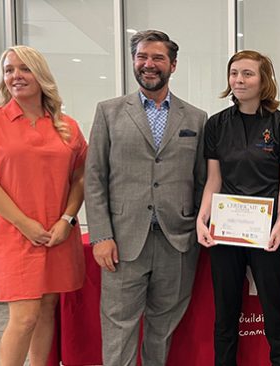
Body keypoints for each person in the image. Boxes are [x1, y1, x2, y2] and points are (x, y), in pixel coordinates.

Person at [84, 30, 207, 365]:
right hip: (122, 242)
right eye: (142, 57)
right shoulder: (108, 112)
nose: (149, 64)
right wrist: (101, 236)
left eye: (157, 58)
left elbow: (201, 181)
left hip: (176, 242)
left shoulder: (196, 118)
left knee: (163, 327)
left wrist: (198, 228)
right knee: (118, 327)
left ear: (173, 65)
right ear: (134, 61)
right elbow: (94, 178)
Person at [0, 45, 86, 366]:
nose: (16, 76)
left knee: (46, 309)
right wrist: (24, 223)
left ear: (40, 74)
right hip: (13, 233)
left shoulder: (68, 126)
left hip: (57, 233)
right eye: (9, 70)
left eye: (24, 68)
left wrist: (67, 220)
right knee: (25, 316)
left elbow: (81, 178)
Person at [196, 50, 280, 366]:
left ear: (263, 79)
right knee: (225, 313)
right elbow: (214, 180)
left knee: (275, 310)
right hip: (225, 231)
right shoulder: (216, 125)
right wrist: (202, 220)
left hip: (268, 232)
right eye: (234, 73)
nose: (239, 80)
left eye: (247, 73)